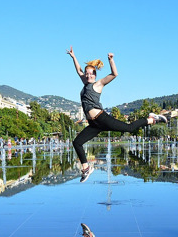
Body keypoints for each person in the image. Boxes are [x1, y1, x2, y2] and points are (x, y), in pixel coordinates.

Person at [67, 47, 167, 182]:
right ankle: (86, 168)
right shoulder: (85, 83)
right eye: (87, 73)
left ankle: (151, 119)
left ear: (95, 75)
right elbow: (78, 70)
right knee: (77, 142)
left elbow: (114, 74)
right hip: (94, 124)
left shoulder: (98, 84)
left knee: (129, 128)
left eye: (91, 74)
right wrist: (74, 57)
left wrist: (111, 60)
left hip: (101, 118)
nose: (88, 75)